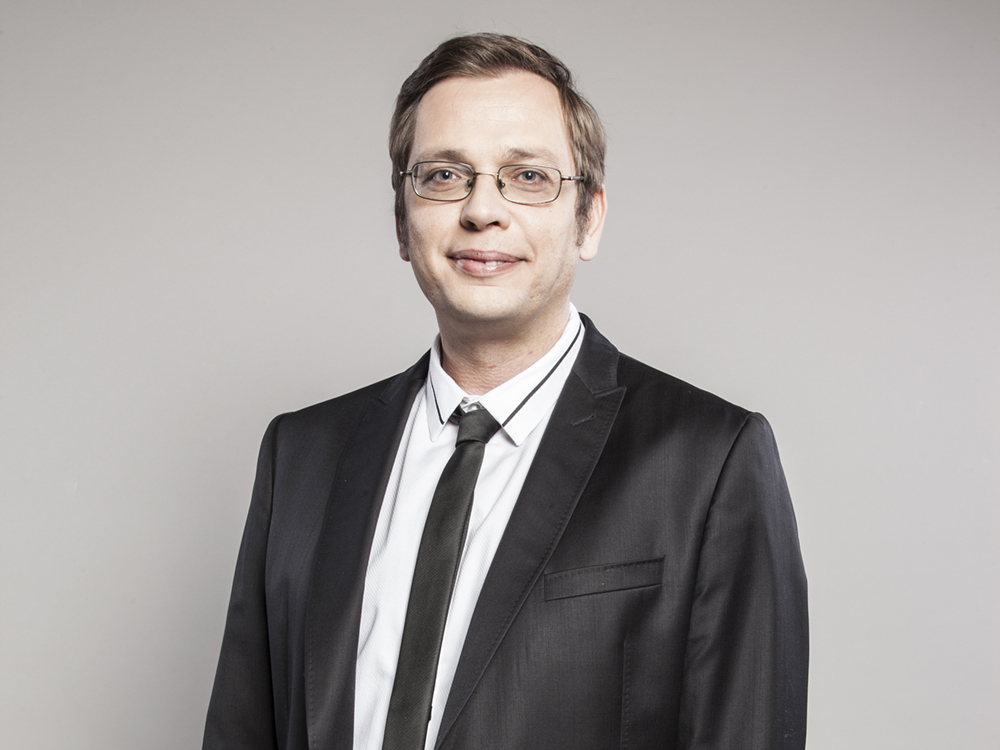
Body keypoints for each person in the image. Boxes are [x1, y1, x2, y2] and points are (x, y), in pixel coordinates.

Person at [203, 33, 808, 750]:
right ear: (402, 221)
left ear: (589, 218)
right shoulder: (301, 455)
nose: (482, 209)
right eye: (444, 175)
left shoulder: (709, 460)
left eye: (527, 176)